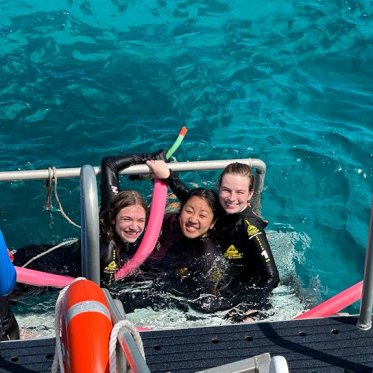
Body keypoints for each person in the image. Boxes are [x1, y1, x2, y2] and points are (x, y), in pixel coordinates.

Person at [12, 151, 166, 286]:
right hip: (37, 270)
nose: (134, 227)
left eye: (140, 220)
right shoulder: (107, 252)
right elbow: (102, 290)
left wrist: (150, 158)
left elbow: (110, 164)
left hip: (42, 253)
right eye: (127, 219)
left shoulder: (110, 209)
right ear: (114, 218)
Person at [146, 160, 280, 309]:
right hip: (223, 274)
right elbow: (194, 201)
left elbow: (272, 277)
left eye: (240, 192)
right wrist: (169, 176)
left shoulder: (249, 225)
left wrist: (245, 306)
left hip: (244, 290)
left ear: (250, 194)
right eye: (226, 190)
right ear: (219, 187)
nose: (231, 198)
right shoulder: (224, 208)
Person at [116, 181, 229, 313]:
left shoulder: (207, 256)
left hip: (159, 294)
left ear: (212, 223)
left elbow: (205, 302)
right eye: (189, 211)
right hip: (137, 272)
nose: (193, 219)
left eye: (202, 215)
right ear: (180, 211)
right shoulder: (171, 221)